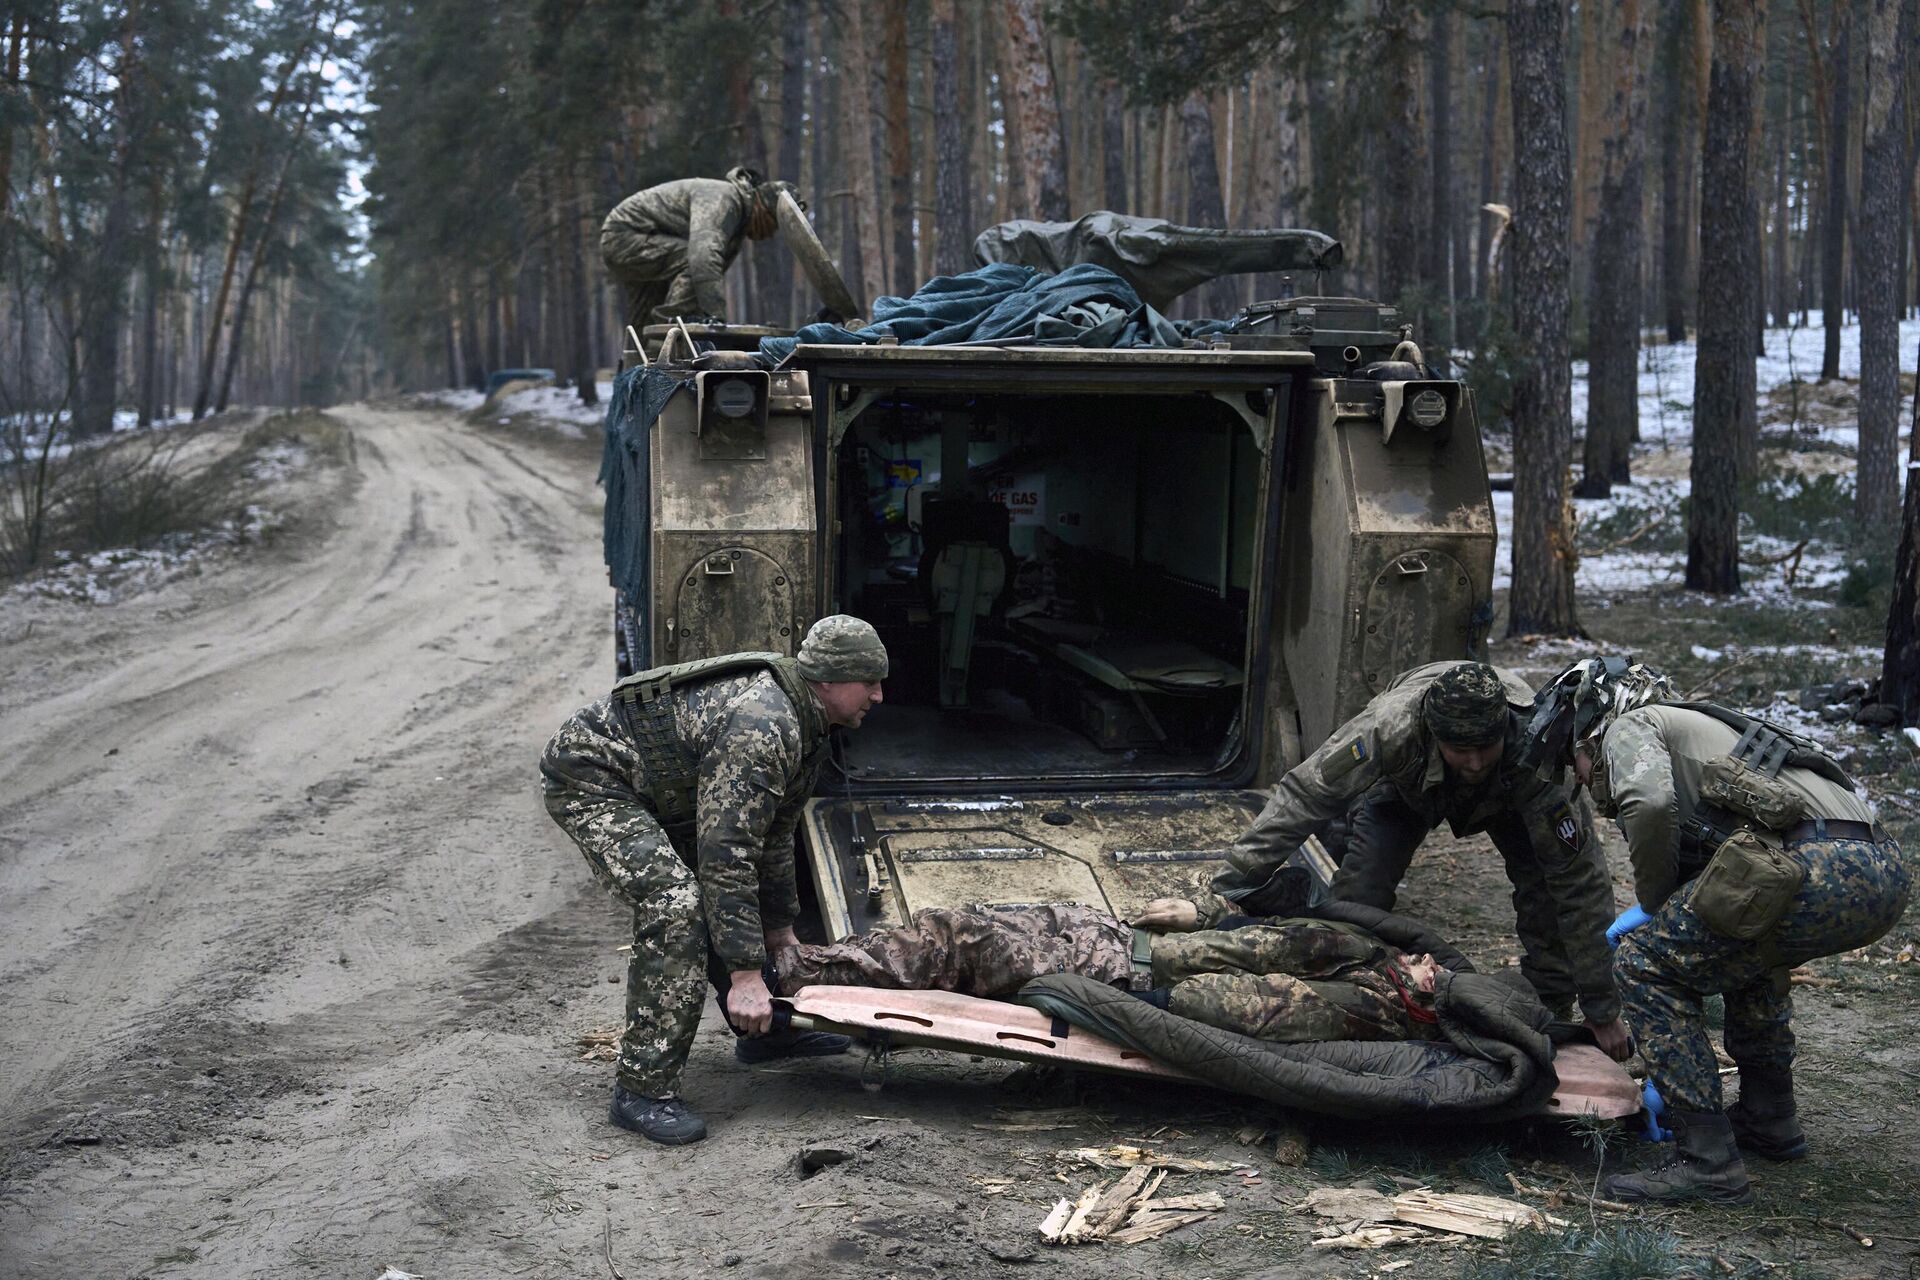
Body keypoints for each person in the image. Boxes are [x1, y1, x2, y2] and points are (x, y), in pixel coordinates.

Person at [1524, 658, 1911, 1204]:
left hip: (1814, 867)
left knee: (1643, 965)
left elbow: (1651, 802)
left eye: (1579, 763)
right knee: (1742, 947)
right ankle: (1769, 1116)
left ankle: (1707, 1160)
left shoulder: (1632, 725)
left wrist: (1655, 903)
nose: (1584, 779)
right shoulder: (1705, 728)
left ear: (1591, 728)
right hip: (1881, 867)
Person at [1134, 661, 1629, 1059]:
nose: (1475, 763)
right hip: (1406, 791)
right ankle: (1336, 997)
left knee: (1545, 897)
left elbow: (1579, 885)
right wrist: (1213, 901)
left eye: (1485, 748)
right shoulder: (1388, 728)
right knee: (1355, 902)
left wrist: (1602, 1009)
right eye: (1461, 750)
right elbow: (1303, 798)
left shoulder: (1537, 756)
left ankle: (1543, 1008)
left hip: (1510, 798)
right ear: (1435, 736)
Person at [540, 616, 888, 1145]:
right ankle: (643, 1090)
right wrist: (747, 975)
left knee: (722, 897)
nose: (880, 696)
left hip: (664, 789)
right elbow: (727, 855)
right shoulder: (764, 725)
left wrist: (780, 931)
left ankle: (765, 1036)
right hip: (596, 777)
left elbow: (773, 837)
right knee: (676, 905)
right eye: (870, 682)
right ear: (830, 680)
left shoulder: (810, 723)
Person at [772, 903, 1447, 1045]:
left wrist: (1143, 1000)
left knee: (959, 943)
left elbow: (1247, 1008)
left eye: (1431, 973)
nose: (1426, 962)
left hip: (1121, 968)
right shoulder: (1364, 951)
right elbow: (1261, 928)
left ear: (1423, 1005)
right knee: (960, 923)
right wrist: (1197, 909)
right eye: (1426, 958)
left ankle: (795, 975)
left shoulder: (1360, 1005)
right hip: (1122, 935)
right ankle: (808, 966)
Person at [600, 166, 794, 332]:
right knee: (693, 260)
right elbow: (702, 259)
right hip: (625, 235)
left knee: (645, 318)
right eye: (774, 224)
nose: (770, 234)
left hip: (633, 237)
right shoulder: (726, 199)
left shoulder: (737, 220)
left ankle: (637, 366)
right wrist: (716, 319)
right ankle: (672, 329)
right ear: (763, 207)